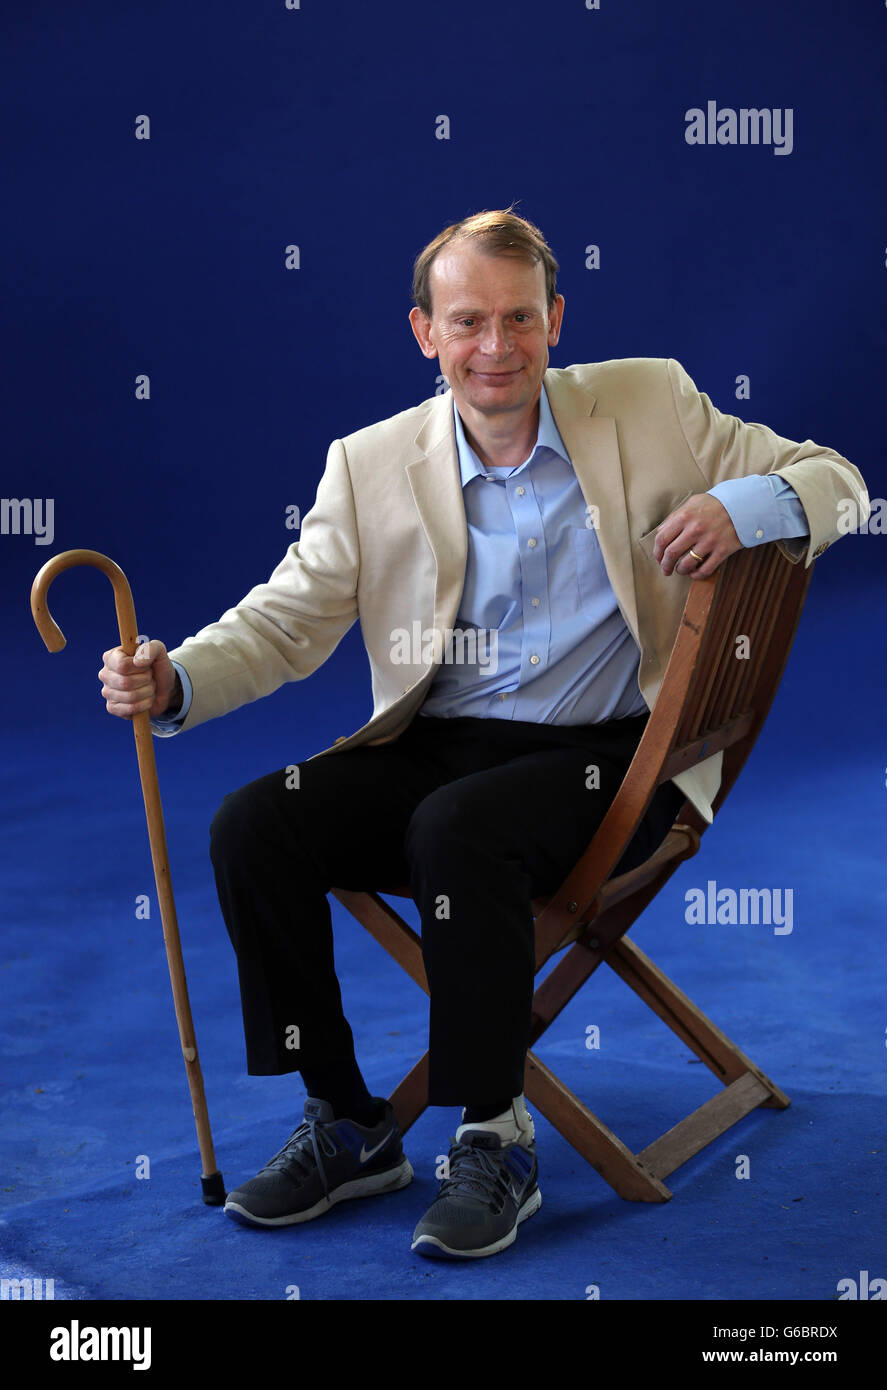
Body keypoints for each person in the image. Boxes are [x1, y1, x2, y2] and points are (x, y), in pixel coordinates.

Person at [98, 208, 868, 1261]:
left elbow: (838, 480)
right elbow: (286, 620)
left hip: (611, 759)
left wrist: (751, 501)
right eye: (467, 322)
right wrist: (175, 676)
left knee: (458, 831)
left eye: (517, 319)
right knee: (252, 824)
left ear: (555, 319)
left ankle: (493, 1134)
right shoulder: (368, 464)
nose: (494, 347)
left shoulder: (646, 401)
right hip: (441, 746)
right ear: (424, 331)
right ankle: (347, 1121)